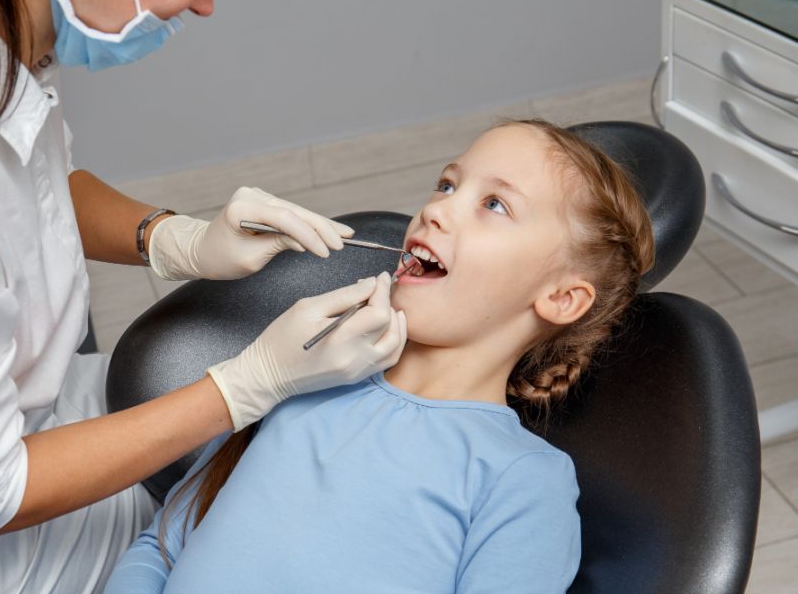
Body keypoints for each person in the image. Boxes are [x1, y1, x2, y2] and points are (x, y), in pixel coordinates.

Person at [0, 0, 406, 592]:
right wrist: (247, 386)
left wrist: (172, 237)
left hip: (48, 410)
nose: (205, 5)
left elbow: (38, 184)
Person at [104, 119, 656, 593]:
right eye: (446, 184)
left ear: (561, 298)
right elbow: (164, 545)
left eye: (494, 204)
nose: (435, 211)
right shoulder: (301, 375)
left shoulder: (522, 480)